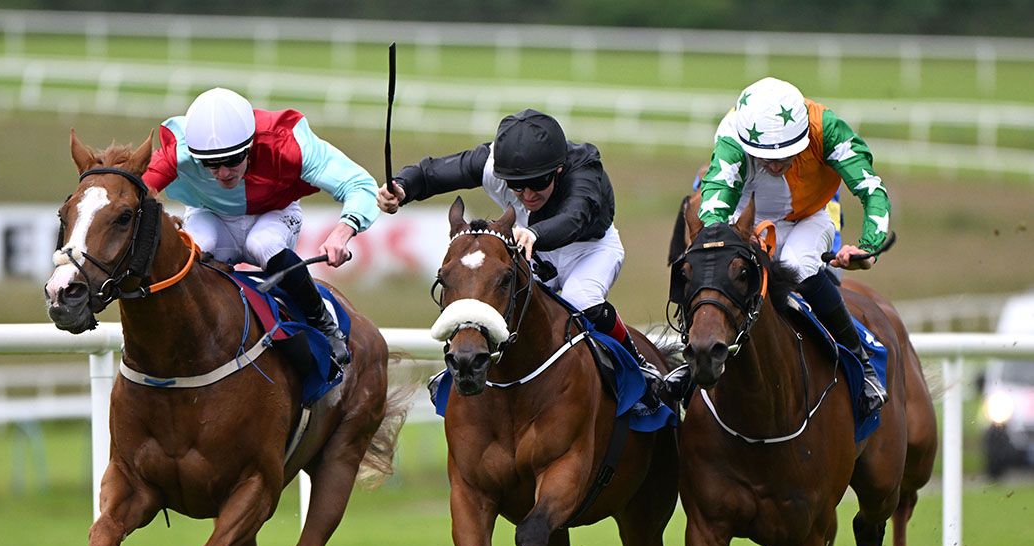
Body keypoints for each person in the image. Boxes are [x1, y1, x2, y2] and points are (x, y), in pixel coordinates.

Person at [377, 108, 655, 374]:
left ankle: (639, 365)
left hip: (588, 251)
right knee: (501, 301)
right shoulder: (490, 164)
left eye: (538, 183)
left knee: (579, 300)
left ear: (558, 170)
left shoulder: (584, 171)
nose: (527, 194)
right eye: (517, 186)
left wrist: (536, 233)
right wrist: (402, 187)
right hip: (530, 247)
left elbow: (575, 216)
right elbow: (431, 172)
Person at [690, 76, 891, 413]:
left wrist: (868, 245)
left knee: (799, 267)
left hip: (808, 218)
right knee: (707, 264)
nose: (774, 165)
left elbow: (872, 190)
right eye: (765, 157)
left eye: (785, 156)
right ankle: (690, 361)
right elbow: (713, 202)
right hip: (746, 217)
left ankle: (860, 359)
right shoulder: (732, 132)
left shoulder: (826, 128)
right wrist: (717, 243)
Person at [142, 87, 380, 367]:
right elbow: (128, 195)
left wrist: (342, 233)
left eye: (232, 160)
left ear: (251, 145)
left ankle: (324, 324)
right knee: (194, 248)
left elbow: (360, 185)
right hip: (209, 214)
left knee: (263, 244)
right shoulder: (178, 152)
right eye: (210, 165)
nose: (223, 174)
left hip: (275, 213)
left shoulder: (287, 143)